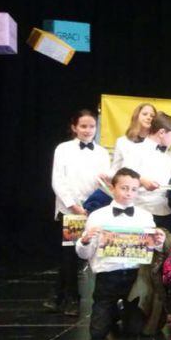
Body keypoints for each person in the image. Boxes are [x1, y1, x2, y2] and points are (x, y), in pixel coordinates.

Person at [76, 168, 167, 339]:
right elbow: (83, 254)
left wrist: (159, 242)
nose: (129, 193)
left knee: (134, 331)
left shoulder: (145, 216)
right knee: (97, 333)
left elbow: (155, 250)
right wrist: (86, 240)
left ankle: (121, 312)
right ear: (113, 188)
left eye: (134, 189)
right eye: (124, 188)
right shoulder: (97, 216)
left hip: (135, 277)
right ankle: (112, 311)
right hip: (107, 276)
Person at [47, 109, 111, 317]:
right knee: (70, 255)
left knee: (83, 253)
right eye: (83, 126)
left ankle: (57, 296)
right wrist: (73, 206)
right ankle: (72, 299)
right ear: (74, 127)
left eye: (92, 126)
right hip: (71, 210)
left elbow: (104, 184)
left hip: (93, 210)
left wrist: (107, 182)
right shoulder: (63, 149)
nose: (88, 130)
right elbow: (58, 180)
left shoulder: (102, 152)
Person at [121, 112, 171, 233]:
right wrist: (142, 180)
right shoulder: (136, 150)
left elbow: (169, 182)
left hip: (165, 211)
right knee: (142, 248)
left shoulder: (168, 157)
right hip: (142, 209)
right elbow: (124, 175)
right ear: (162, 133)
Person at [111, 103, 156, 172]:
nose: (149, 117)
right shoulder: (122, 141)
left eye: (152, 116)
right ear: (136, 116)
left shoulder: (157, 142)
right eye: (144, 114)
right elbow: (115, 168)